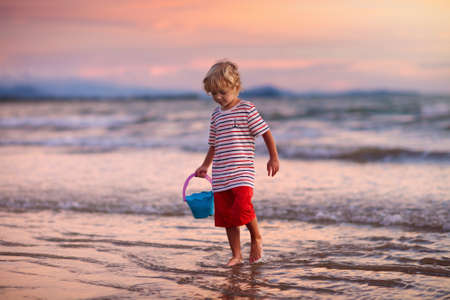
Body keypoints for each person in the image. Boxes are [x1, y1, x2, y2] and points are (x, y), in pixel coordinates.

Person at [195, 60, 280, 266]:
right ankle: (236, 254)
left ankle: (256, 237)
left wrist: (273, 157)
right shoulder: (216, 115)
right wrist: (205, 165)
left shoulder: (247, 109)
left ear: (235, 87)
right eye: (213, 94)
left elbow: (265, 132)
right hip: (221, 173)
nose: (218, 97)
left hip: (242, 171)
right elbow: (213, 144)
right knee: (226, 217)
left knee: (242, 207)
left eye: (222, 92)